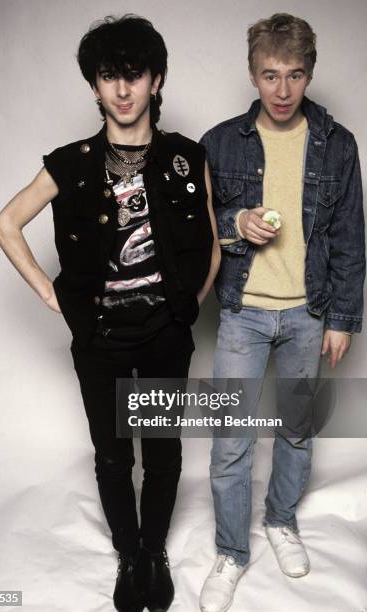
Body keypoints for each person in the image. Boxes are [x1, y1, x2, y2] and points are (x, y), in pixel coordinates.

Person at [0, 15, 220, 612]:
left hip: (166, 334)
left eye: (133, 75)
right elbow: (6, 223)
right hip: (101, 339)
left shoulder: (184, 157)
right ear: (94, 86)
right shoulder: (72, 163)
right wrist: (52, 294)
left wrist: (190, 303)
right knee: (114, 454)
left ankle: (156, 552)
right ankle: (129, 555)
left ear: (156, 79)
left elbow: (215, 242)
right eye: (108, 76)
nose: (122, 89)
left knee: (164, 451)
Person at [199, 13, 365, 612]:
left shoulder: (339, 144)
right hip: (243, 313)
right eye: (270, 75)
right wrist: (233, 226)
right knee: (231, 440)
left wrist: (344, 318)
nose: (282, 90)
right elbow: (197, 232)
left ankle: (282, 521)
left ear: (309, 74)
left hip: (308, 312)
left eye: (294, 75)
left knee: (295, 431)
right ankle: (230, 552)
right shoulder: (219, 143)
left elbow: (350, 236)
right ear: (253, 74)